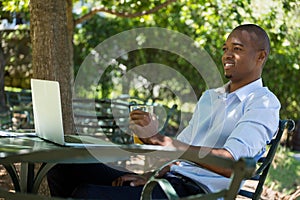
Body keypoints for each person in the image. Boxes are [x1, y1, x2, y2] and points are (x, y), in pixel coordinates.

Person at [47, 24, 280, 199]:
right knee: (64, 170)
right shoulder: (212, 97)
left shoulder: (262, 103)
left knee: (87, 194)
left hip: (195, 193)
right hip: (167, 182)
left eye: (237, 49)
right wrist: (151, 175)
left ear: (261, 56)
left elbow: (233, 164)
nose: (227, 55)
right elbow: (180, 152)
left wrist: (161, 140)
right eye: (225, 48)